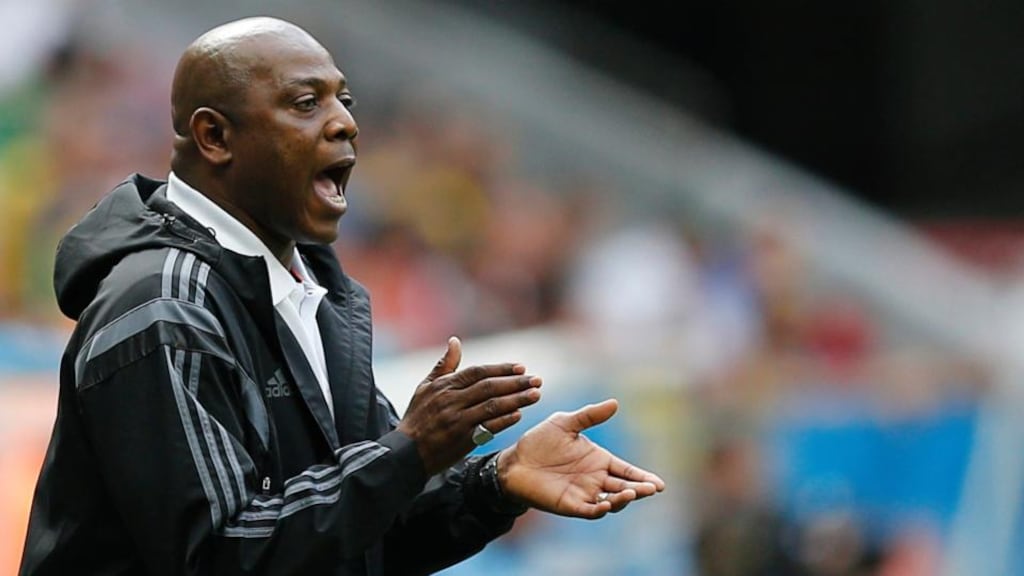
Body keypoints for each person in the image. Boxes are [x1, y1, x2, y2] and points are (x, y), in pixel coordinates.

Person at [19, 16, 665, 576]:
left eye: (345, 100)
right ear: (215, 137)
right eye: (306, 103)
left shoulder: (313, 292)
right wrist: (409, 451)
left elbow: (357, 539)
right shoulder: (164, 305)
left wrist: (495, 482)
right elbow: (219, 556)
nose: (346, 124)